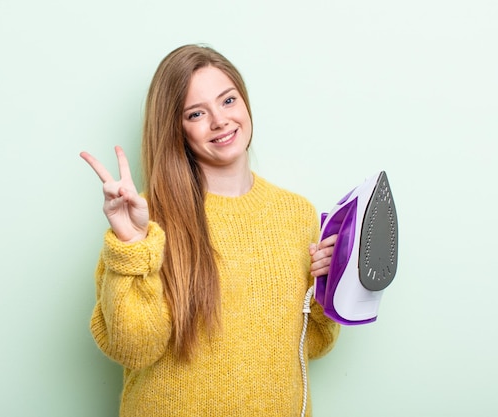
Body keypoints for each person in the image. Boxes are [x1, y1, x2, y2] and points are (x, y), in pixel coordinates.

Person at [80, 44, 340, 417]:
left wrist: (331, 292)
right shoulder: (147, 217)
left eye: (228, 100)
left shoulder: (297, 214)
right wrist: (132, 244)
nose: (220, 121)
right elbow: (135, 349)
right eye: (197, 113)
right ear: (176, 130)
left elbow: (309, 343)